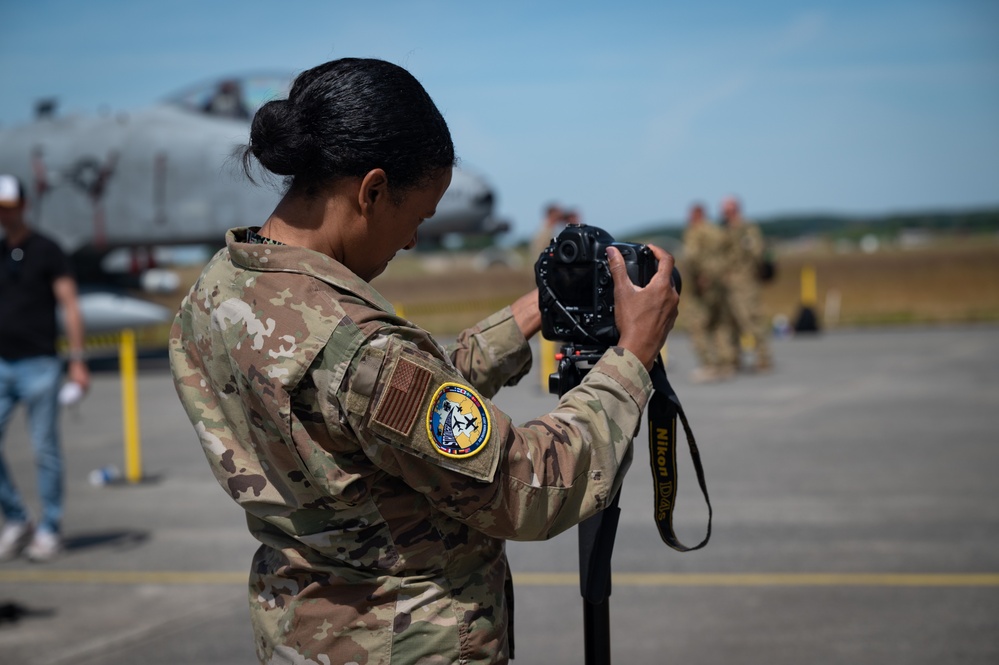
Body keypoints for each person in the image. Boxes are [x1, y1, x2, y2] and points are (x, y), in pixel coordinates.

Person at [169, 57, 680, 665]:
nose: (411, 239)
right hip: (406, 642)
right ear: (373, 189)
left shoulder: (221, 288)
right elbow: (532, 485)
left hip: (302, 636)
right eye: (417, 217)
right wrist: (631, 357)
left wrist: (531, 314)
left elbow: (383, 407)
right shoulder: (358, 346)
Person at [0, 174, 90, 562]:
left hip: (40, 365)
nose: (5, 216)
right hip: (1, 364)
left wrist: (78, 361)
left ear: (23, 205)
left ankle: (51, 527)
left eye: (9, 208)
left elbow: (69, 306)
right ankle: (17, 518)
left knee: (44, 450)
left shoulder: (47, 250)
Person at [680, 203, 736, 382]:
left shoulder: (696, 232)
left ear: (696, 215)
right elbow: (730, 254)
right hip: (719, 281)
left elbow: (692, 256)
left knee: (698, 323)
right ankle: (726, 362)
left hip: (703, 283)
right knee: (719, 322)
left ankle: (709, 364)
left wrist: (698, 275)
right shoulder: (717, 231)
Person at [719, 195, 772, 372]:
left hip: (745, 282)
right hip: (728, 283)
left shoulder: (747, 228)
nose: (725, 213)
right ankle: (734, 358)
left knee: (750, 319)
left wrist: (752, 274)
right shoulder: (724, 230)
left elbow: (757, 252)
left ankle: (763, 357)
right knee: (730, 322)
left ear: (735, 209)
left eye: (727, 209)